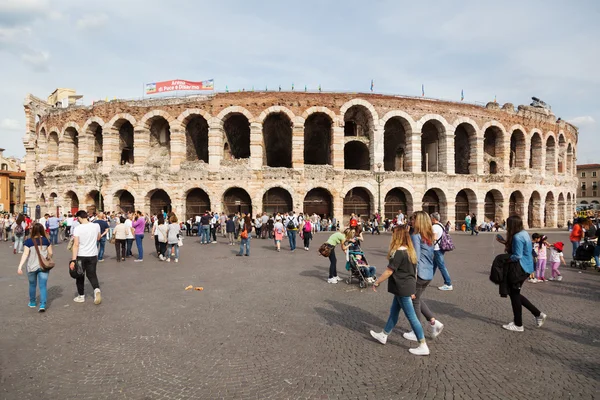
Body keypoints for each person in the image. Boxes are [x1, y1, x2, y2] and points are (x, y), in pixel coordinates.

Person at [370, 225, 430, 356]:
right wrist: (413, 289)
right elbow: (414, 272)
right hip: (405, 287)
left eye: (393, 234)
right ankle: (384, 335)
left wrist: (377, 282)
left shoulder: (398, 252)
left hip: (401, 287)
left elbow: (388, 271)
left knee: (412, 317)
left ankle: (423, 344)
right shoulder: (410, 251)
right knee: (394, 312)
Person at [495, 215, 546, 331]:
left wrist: (505, 258)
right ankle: (537, 314)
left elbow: (517, 256)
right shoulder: (523, 233)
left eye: (508, 224)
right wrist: (504, 242)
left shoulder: (517, 237)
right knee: (514, 293)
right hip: (527, 267)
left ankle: (519, 324)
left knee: (514, 294)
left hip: (520, 269)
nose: (507, 226)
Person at [403, 211, 444, 340]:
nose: (411, 221)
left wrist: (412, 275)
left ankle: (416, 331)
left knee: (413, 301)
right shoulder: (429, 235)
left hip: (418, 274)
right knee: (417, 299)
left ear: (419, 221)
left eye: (413, 219)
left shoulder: (416, 235)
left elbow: (416, 256)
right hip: (428, 272)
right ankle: (433, 322)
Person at [17, 223, 53, 312]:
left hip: (31, 266)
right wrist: (47, 257)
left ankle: (32, 302)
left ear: (32, 230)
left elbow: (25, 254)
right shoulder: (46, 241)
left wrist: (20, 266)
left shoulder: (29, 241)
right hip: (43, 266)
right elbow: (51, 253)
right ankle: (42, 305)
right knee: (43, 286)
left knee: (32, 285)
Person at [70, 210, 102, 305]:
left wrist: (73, 260)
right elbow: (98, 237)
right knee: (92, 274)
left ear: (79, 217)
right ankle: (96, 290)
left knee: (80, 276)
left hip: (81, 255)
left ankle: (81, 296)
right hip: (93, 255)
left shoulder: (78, 228)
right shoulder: (96, 226)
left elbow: (76, 245)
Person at [431, 212, 453, 291]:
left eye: (431, 218)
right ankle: (428, 279)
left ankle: (448, 283)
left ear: (433, 219)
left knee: (441, 266)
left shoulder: (435, 227)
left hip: (437, 248)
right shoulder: (441, 225)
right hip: (441, 247)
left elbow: (434, 238)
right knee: (434, 265)